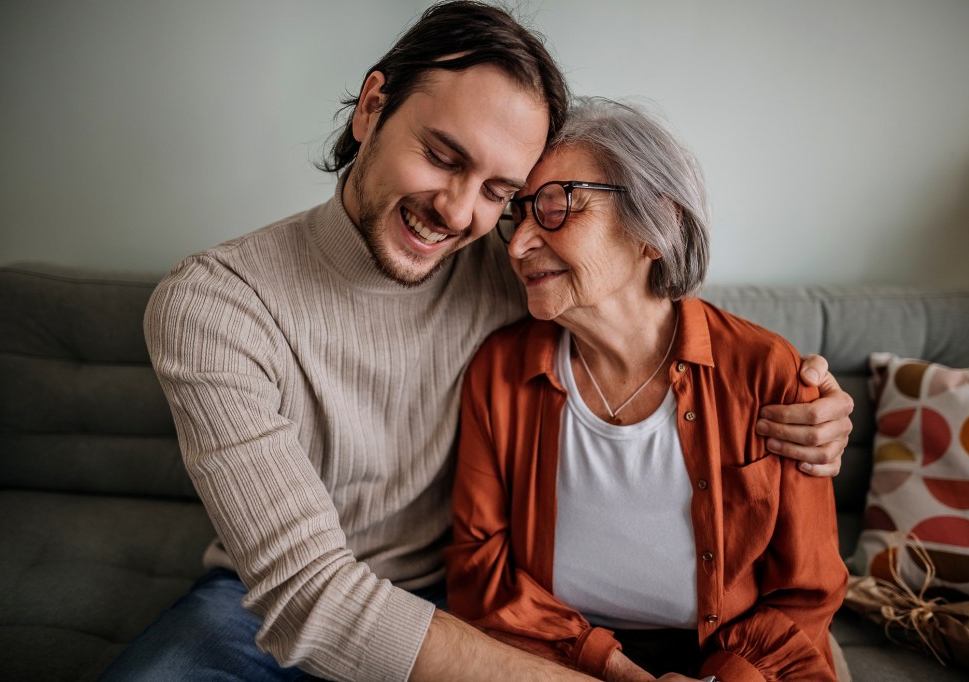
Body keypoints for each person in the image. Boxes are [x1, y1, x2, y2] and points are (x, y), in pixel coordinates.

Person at [101, 3, 852, 681]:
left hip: (462, 599)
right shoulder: (214, 304)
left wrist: (796, 392)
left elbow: (635, 294)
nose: (460, 214)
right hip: (273, 597)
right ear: (371, 108)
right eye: (442, 155)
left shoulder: (508, 263)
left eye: (502, 191)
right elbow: (309, 595)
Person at [445, 97, 849, 682]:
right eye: (520, 212)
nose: (518, 243)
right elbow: (480, 574)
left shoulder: (768, 372)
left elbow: (807, 592)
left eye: (557, 208)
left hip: (735, 660)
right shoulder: (500, 372)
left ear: (655, 226)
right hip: (553, 656)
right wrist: (615, 670)